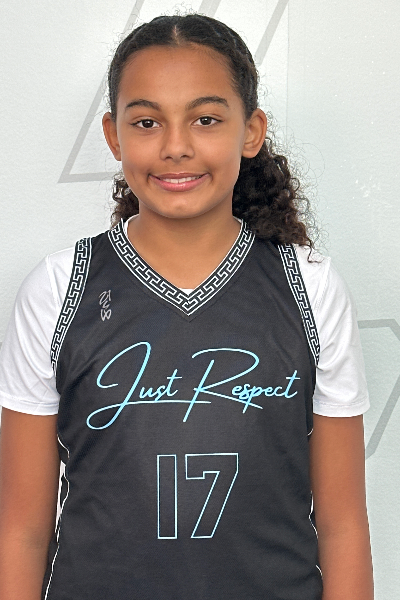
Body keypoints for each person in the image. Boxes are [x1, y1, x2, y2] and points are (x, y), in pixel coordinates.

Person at [0, 13, 373, 600]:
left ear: (250, 132)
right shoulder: (58, 289)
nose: (176, 146)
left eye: (205, 119)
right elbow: (22, 531)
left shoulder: (310, 286)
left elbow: (343, 525)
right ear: (113, 135)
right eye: (147, 122)